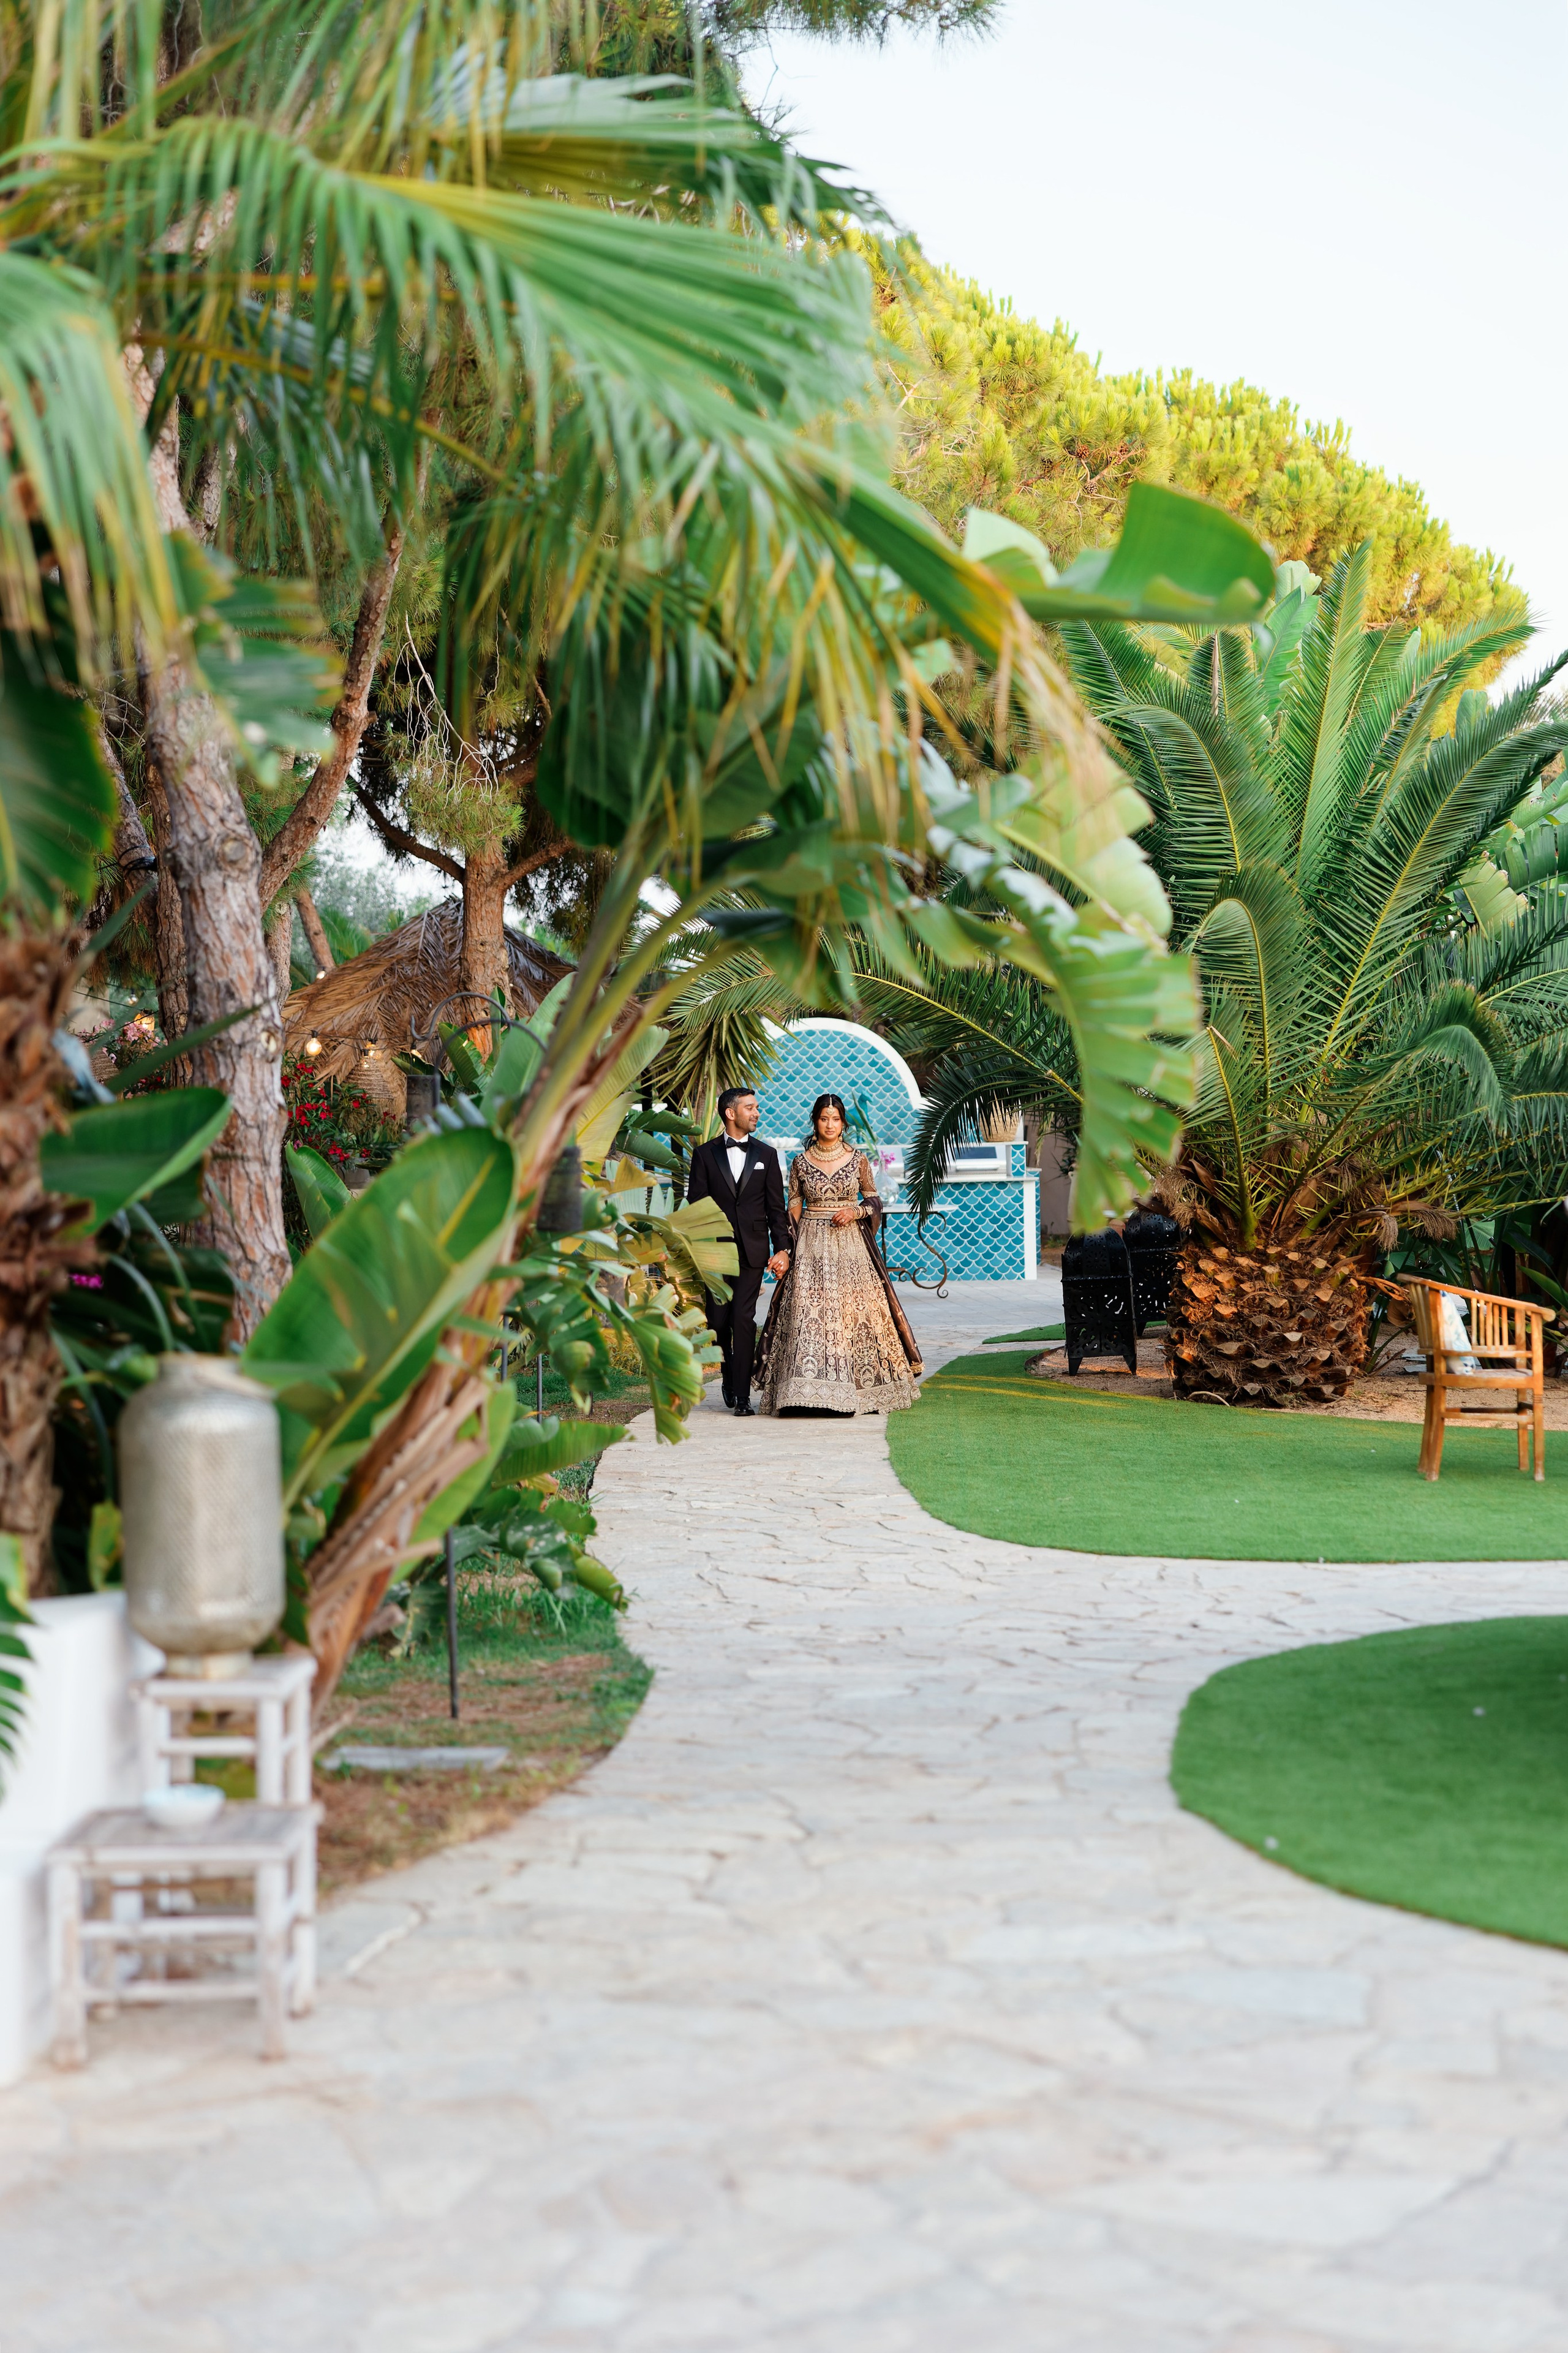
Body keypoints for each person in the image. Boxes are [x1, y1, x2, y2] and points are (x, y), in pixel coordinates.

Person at [754, 1093, 922, 1414]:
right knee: (809, 1312)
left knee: (855, 1312)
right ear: (815, 1121)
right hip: (811, 1245)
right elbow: (794, 1204)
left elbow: (874, 1200)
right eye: (823, 1118)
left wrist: (856, 1211)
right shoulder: (800, 1162)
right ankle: (803, 1394)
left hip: (851, 1247)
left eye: (835, 1119)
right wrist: (788, 1245)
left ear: (843, 1123)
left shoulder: (858, 1159)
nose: (830, 1125)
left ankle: (863, 1391)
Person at [685, 1086, 791, 1418]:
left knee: (743, 1319)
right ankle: (729, 1375)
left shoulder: (767, 1154)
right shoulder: (704, 1155)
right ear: (731, 1113)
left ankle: (744, 1396)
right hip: (715, 1253)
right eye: (750, 1108)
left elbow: (777, 1208)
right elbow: (696, 1206)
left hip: (753, 1251)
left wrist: (783, 1248)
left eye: (756, 1107)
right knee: (718, 1322)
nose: (756, 1113)